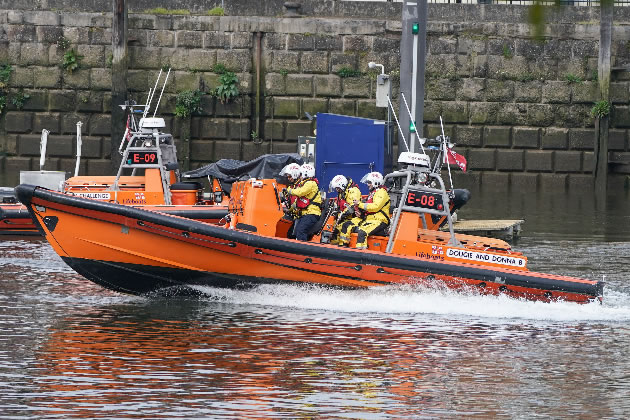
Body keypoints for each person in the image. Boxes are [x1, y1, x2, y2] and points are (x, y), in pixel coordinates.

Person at [353, 171, 390, 250]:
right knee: (354, 227)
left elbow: (375, 207)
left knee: (362, 232)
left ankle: (361, 252)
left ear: (376, 182)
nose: (368, 184)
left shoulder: (381, 193)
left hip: (380, 220)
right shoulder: (374, 193)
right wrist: (361, 214)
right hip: (372, 220)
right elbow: (370, 210)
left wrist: (360, 204)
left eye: (369, 182)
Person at [285, 163, 322, 241]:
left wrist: (289, 190)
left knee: (301, 231)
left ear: (306, 174)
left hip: (312, 213)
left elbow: (300, 192)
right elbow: (297, 202)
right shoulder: (304, 184)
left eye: (301, 174)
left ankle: (301, 250)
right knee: (292, 232)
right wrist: (290, 210)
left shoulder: (310, 183)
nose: (299, 176)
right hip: (305, 214)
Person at [329, 175, 362, 246]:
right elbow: (339, 204)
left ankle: (343, 245)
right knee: (331, 226)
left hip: (353, 217)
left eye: (338, 188)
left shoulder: (354, 191)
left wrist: (342, 215)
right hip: (345, 217)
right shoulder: (343, 192)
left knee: (343, 227)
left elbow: (352, 207)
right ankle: (331, 245)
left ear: (342, 185)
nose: (337, 190)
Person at [279, 163, 302, 238]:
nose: (288, 178)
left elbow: (297, 201)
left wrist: (289, 209)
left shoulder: (300, 186)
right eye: (287, 177)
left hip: (299, 215)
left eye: (289, 176)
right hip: (294, 214)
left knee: (292, 234)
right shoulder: (293, 186)